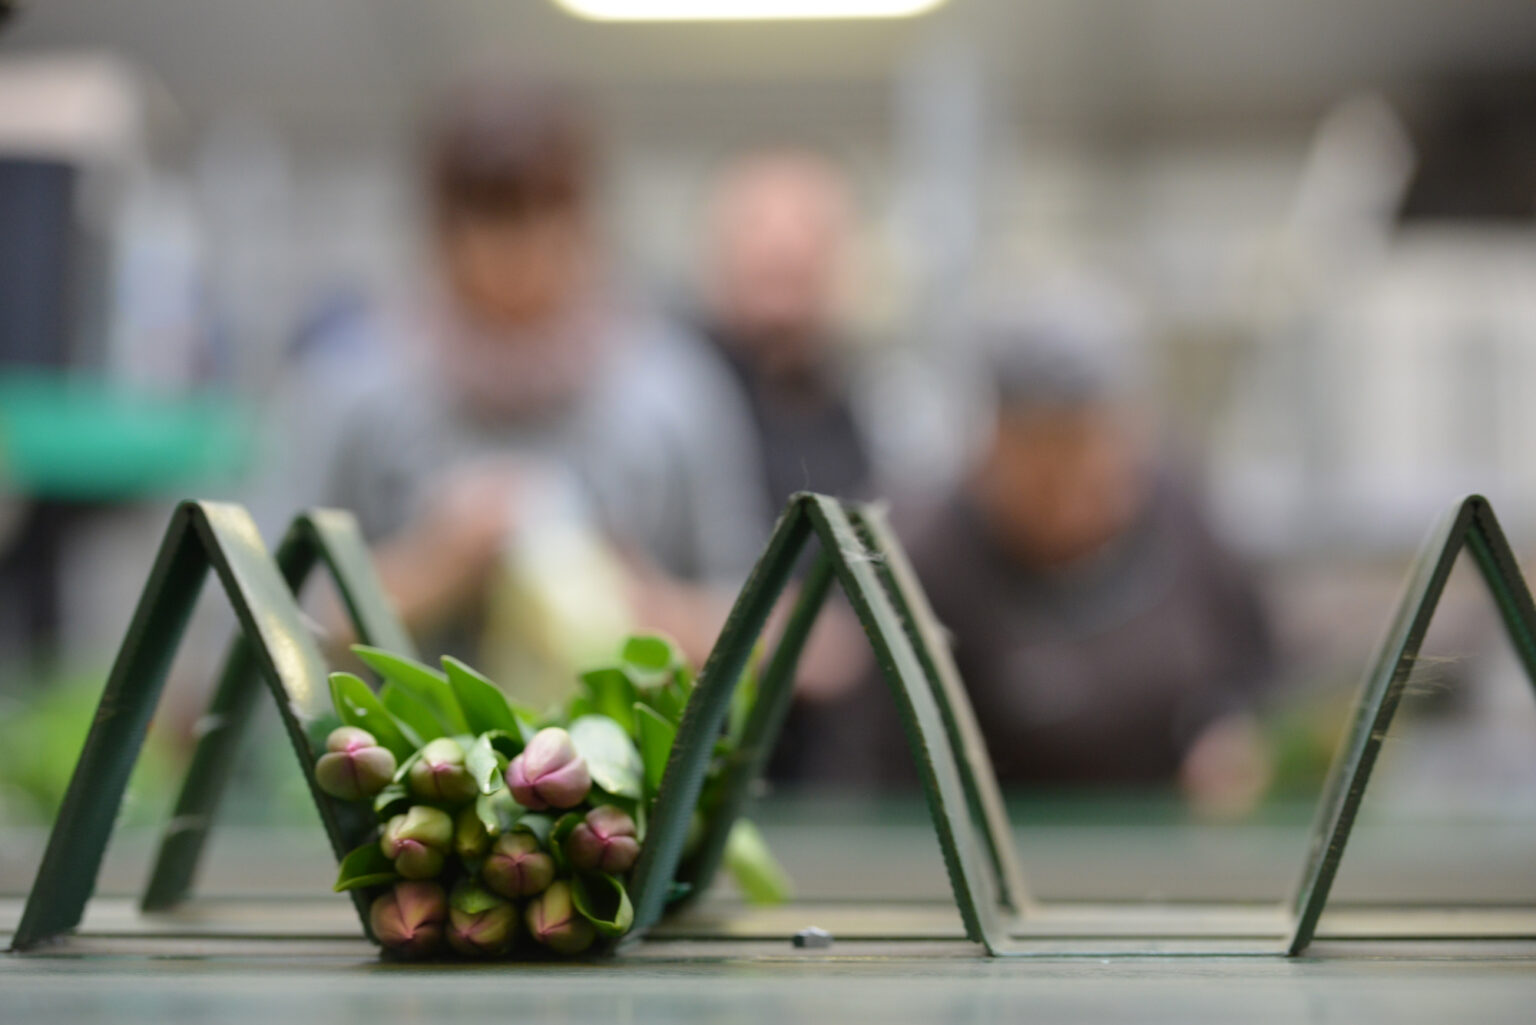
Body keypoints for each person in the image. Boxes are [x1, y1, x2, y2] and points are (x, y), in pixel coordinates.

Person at [259, 72, 764, 691]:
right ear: (442, 229)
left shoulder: (674, 390)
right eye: (493, 220)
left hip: (627, 748)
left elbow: (752, 631)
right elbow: (261, 628)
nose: (521, 255)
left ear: (586, 220)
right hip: (388, 750)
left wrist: (623, 599)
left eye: (545, 214)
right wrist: (431, 568)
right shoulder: (350, 386)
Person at [882, 285, 1277, 814]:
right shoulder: (931, 561)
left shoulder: (1181, 516)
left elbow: (1258, 671)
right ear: (994, 447)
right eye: (1043, 460)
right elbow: (880, 781)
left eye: (1090, 449)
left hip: (1176, 838)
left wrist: (1229, 733)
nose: (1071, 492)